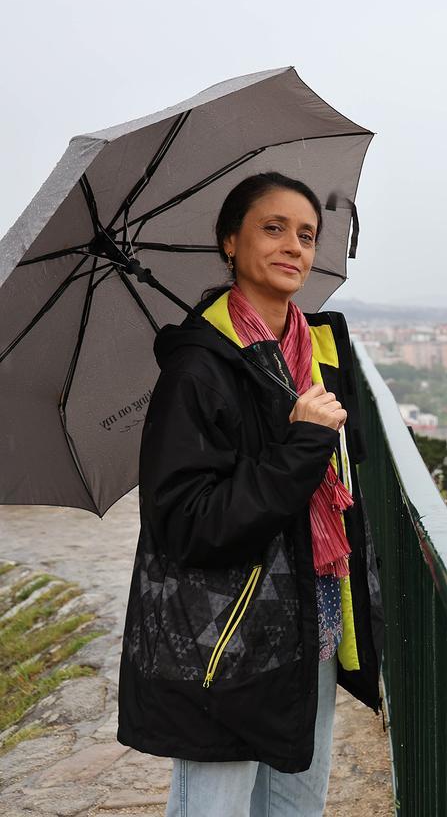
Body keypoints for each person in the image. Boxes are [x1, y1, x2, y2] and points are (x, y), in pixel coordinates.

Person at [117, 172, 384, 816]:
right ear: (229, 242)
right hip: (222, 636)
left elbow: (347, 481)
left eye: (307, 234)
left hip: (308, 614)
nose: (295, 246)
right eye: (273, 229)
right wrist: (302, 444)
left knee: (298, 807)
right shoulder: (196, 371)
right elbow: (188, 523)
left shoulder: (315, 353)